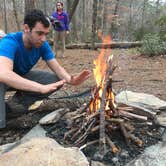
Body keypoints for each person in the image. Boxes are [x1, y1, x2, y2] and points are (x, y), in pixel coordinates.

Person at [0, 9, 91, 129]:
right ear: (26, 28)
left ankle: (16, 105)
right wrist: (40, 88)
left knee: (54, 80)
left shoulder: (42, 45)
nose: (43, 38)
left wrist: (71, 80)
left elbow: (57, 68)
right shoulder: (10, 42)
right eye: (39, 33)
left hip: (20, 76)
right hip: (3, 79)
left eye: (46, 34)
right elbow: (4, 73)